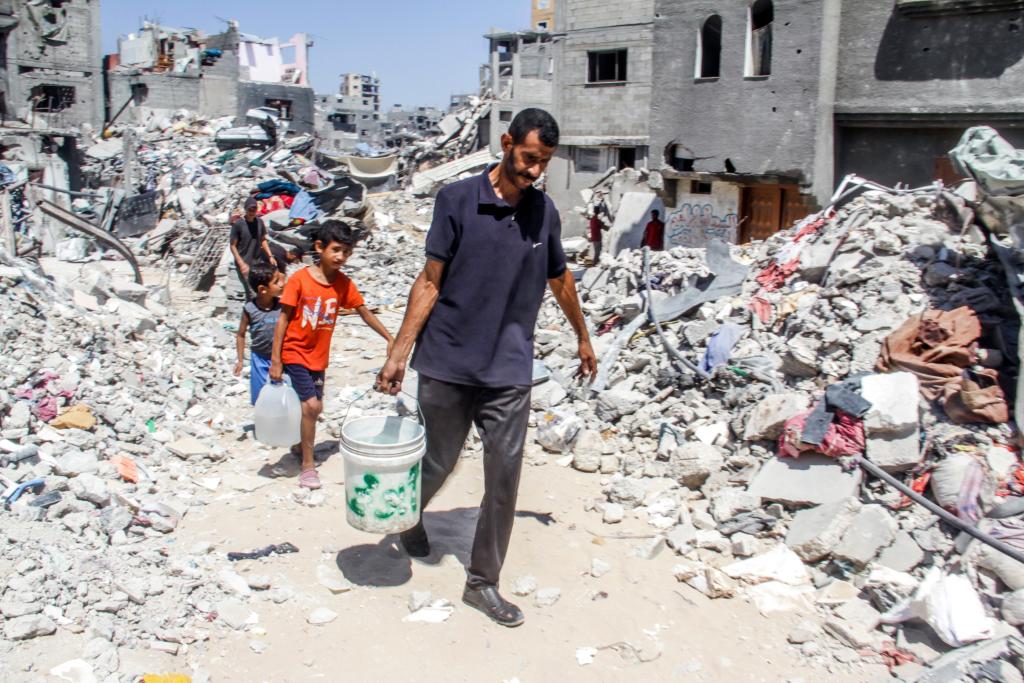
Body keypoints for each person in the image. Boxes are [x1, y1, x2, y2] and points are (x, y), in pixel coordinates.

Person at [376, 108, 597, 628]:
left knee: (504, 475)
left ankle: (482, 582)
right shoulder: (456, 200)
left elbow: (559, 279)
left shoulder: (544, 212)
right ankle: (408, 519)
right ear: (505, 143)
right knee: (438, 461)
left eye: (543, 163)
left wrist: (584, 336)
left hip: (508, 369)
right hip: (449, 361)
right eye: (527, 159)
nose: (534, 172)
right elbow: (429, 281)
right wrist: (397, 353)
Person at [269, 220, 393, 490]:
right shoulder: (300, 280)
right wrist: (276, 359)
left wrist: (389, 337)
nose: (341, 257)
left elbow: (364, 312)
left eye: (346, 252)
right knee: (311, 406)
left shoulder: (343, 284)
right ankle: (308, 467)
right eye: (336, 250)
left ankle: (302, 445)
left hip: (318, 356)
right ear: (319, 247)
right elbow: (282, 319)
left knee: (316, 407)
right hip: (294, 351)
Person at [234, 264, 284, 405]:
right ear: (262, 289)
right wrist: (240, 360)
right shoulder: (249, 309)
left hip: (282, 358)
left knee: (282, 393)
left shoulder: (283, 306)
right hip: (260, 358)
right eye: (276, 282)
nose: (281, 284)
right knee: (262, 396)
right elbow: (241, 334)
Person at [230, 197, 276, 299]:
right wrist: (241, 264)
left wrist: (270, 256)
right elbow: (233, 246)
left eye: (254, 209)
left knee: (260, 290)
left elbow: (263, 239)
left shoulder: (259, 222)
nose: (252, 212)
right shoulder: (238, 225)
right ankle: (251, 312)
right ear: (245, 209)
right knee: (252, 293)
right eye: (249, 209)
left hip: (257, 262)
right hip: (244, 262)